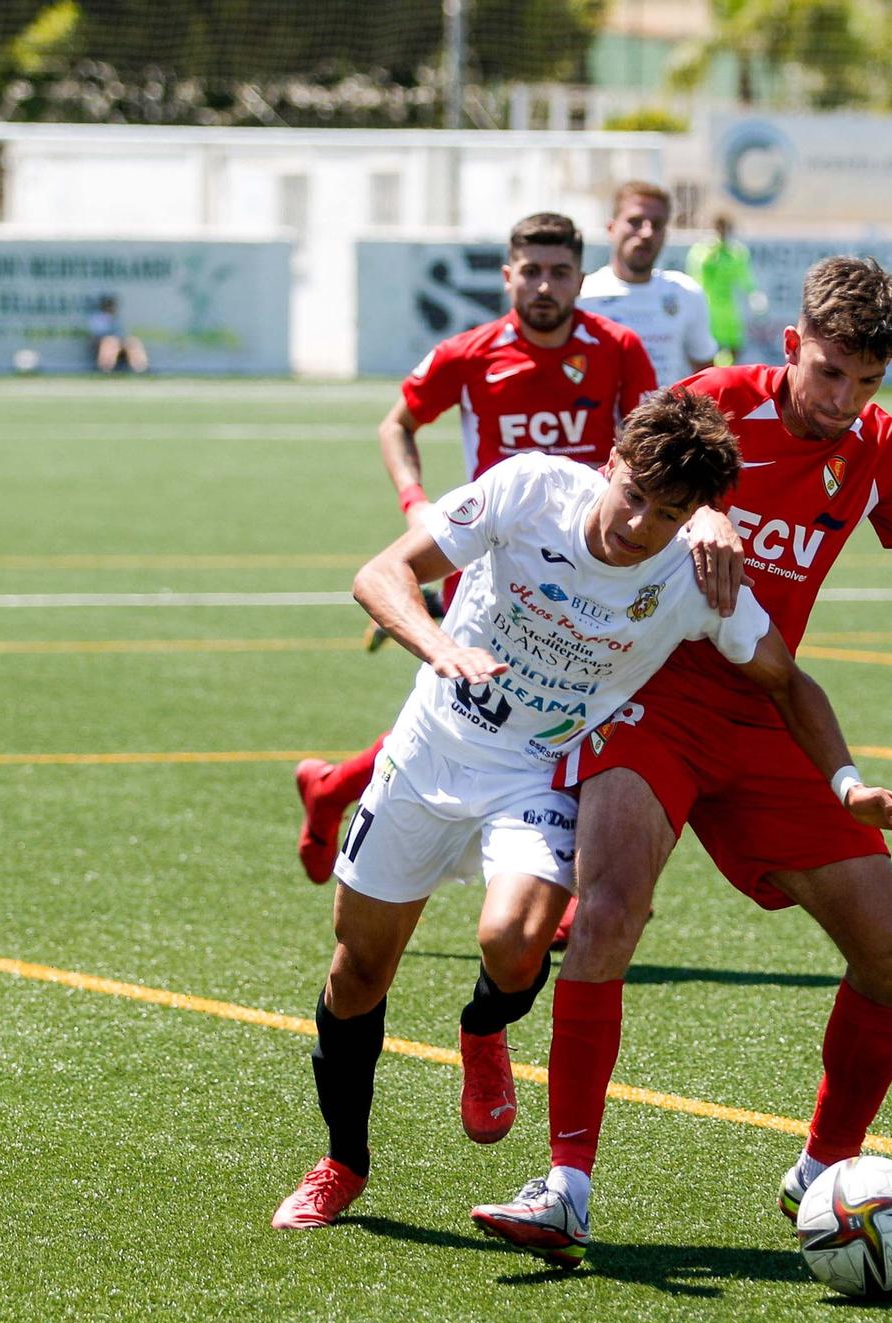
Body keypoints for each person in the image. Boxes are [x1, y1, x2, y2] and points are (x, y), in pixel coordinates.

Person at [470, 257, 892, 1268]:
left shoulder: (877, 448)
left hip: (768, 708)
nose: (842, 400)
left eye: (865, 382)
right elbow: (621, 488)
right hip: (648, 699)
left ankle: (824, 1172)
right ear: (788, 349)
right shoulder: (712, 404)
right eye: (827, 373)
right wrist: (705, 507)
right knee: (607, 913)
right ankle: (566, 1186)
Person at [271, 390, 892, 1231]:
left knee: (513, 947)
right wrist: (443, 649)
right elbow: (381, 574)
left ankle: (484, 1028)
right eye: (632, 497)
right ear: (610, 464)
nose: (637, 527)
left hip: (538, 774)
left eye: (667, 514)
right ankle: (342, 1162)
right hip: (430, 748)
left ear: (696, 516)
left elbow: (786, 680)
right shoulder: (528, 490)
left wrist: (846, 783)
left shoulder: (698, 580)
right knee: (357, 972)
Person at [295, 212, 658, 886]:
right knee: (473, 713)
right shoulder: (470, 353)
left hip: (593, 561)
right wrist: (417, 504)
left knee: (577, 705)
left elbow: (647, 444)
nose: (544, 286)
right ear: (507, 277)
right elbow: (397, 423)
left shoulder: (619, 349)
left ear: (581, 278)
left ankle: (336, 787)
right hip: (494, 563)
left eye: (559, 273)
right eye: (531, 272)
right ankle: (349, 792)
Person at [580, 182, 717, 388]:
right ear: (611, 228)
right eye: (635, 221)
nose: (646, 233)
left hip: (668, 419)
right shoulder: (583, 296)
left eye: (657, 224)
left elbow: (707, 376)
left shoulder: (685, 293)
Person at [686, 215, 762, 365]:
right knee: (707, 350)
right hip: (706, 309)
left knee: (734, 348)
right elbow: (695, 274)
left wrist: (754, 294)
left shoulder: (736, 252)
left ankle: (726, 378)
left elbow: (745, 278)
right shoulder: (700, 251)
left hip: (728, 311)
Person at [88, 296, 149, 373]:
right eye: (109, 305)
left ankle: (141, 368)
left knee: (133, 341)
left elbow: (122, 334)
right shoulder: (97, 318)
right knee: (110, 342)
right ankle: (106, 369)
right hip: (102, 343)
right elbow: (96, 336)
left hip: (118, 342)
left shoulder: (116, 318)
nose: (112, 308)